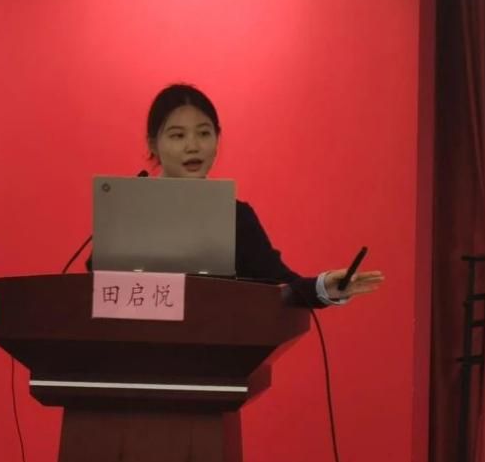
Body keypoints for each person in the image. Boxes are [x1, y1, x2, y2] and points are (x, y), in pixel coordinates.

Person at [92, 83, 384, 308]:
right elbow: (95, 288)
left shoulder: (235, 217)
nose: (193, 146)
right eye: (178, 135)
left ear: (217, 138)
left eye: (204, 133)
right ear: (153, 144)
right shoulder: (129, 211)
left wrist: (324, 287)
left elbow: (278, 285)